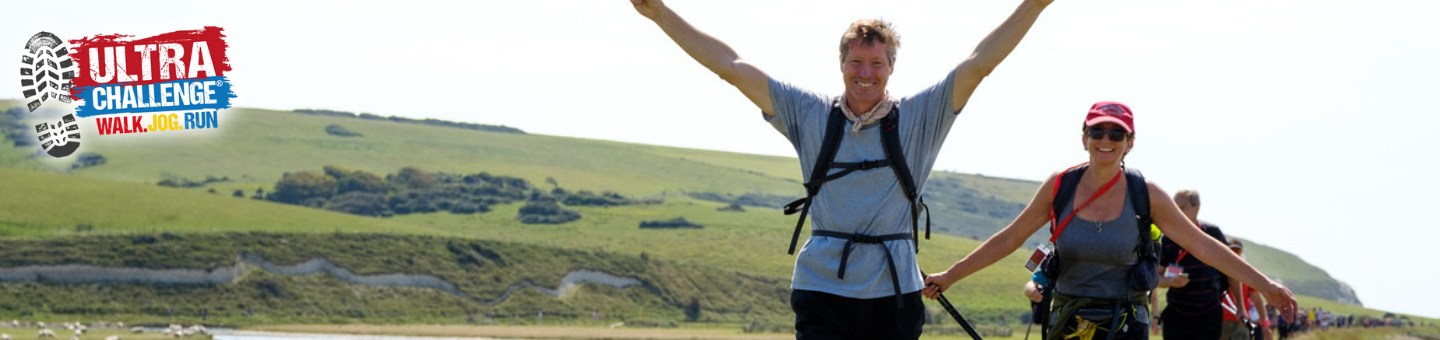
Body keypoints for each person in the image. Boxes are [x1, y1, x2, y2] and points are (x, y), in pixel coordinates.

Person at [631, 0, 1054, 339]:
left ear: (891, 68)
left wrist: (1035, 4)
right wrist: (659, 12)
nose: (865, 74)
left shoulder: (921, 117)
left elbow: (980, 63)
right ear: (841, 64)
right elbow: (732, 67)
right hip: (821, 288)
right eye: (856, 62)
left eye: (876, 64)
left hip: (894, 291)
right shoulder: (809, 112)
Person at [921, 102, 1298, 340]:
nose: (1106, 139)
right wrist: (949, 276)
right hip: (1068, 321)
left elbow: (1202, 246)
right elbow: (1009, 239)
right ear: (1084, 137)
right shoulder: (1060, 186)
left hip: (1125, 323)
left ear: (1130, 142)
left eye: (1116, 133)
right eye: (1097, 131)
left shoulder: (1145, 193)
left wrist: (1265, 285)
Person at [1157, 189, 1233, 340]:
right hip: (1177, 316)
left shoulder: (1213, 234)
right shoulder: (1168, 239)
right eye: (1174, 207)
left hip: (1209, 315)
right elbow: (1156, 276)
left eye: (1182, 208)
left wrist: (1242, 309)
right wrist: (1170, 281)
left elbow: (1232, 269)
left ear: (1196, 208)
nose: (1177, 212)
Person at [1220, 239, 1271, 340]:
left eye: (1237, 251)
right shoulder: (1219, 268)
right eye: (1232, 250)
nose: (1235, 254)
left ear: (1241, 252)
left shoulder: (1246, 273)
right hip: (1219, 321)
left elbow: (1257, 299)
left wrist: (1265, 325)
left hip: (1241, 322)